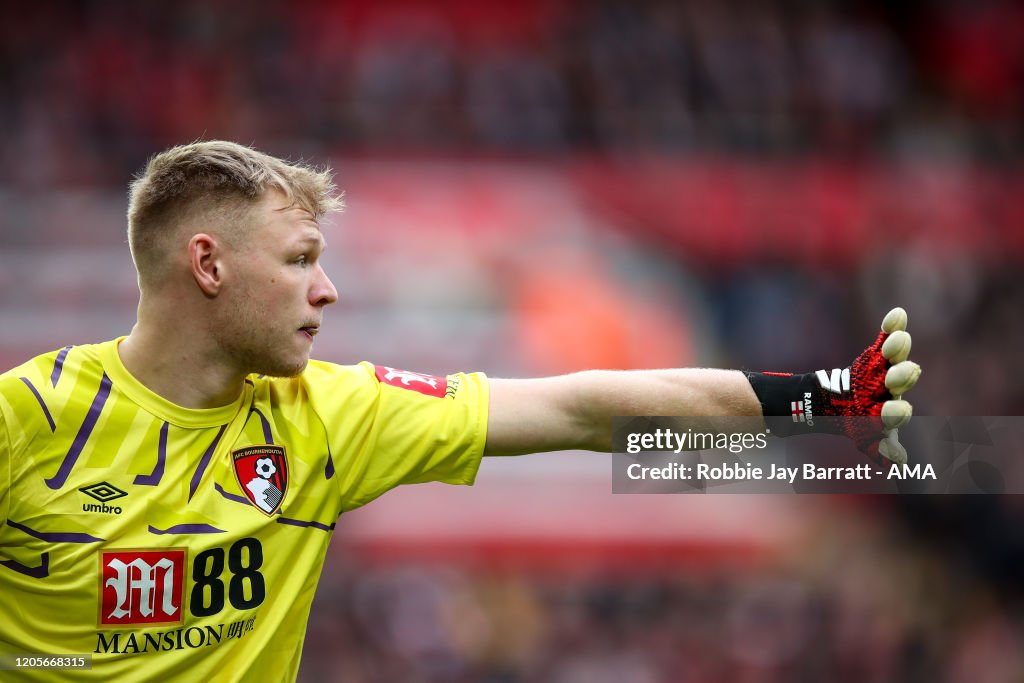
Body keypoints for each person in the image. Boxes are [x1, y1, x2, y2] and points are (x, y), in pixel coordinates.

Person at [0, 141, 920, 682]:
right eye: (298, 259)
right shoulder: (25, 419)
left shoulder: (330, 414)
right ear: (208, 266)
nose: (327, 290)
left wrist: (826, 396)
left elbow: (584, 407)